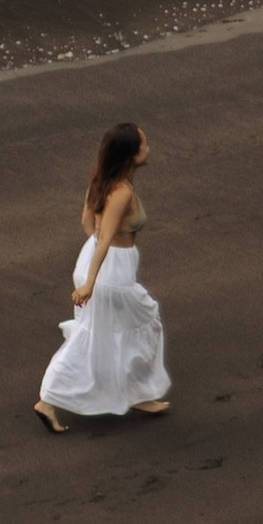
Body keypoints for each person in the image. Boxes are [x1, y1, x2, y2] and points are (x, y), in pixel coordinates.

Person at [34, 119, 172, 430]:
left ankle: (137, 393)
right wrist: (90, 283)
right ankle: (48, 400)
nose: (148, 148)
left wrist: (90, 271)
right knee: (134, 325)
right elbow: (106, 238)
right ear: (130, 154)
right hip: (109, 269)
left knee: (114, 330)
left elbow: (88, 225)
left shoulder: (100, 182)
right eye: (144, 144)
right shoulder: (121, 192)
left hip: (96, 261)